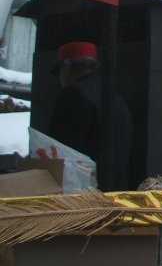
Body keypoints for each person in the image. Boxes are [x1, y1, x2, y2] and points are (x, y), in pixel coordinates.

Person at [46, 40, 132, 192]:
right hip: (115, 192)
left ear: (66, 68)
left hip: (83, 194)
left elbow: (60, 149)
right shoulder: (114, 96)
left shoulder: (73, 95)